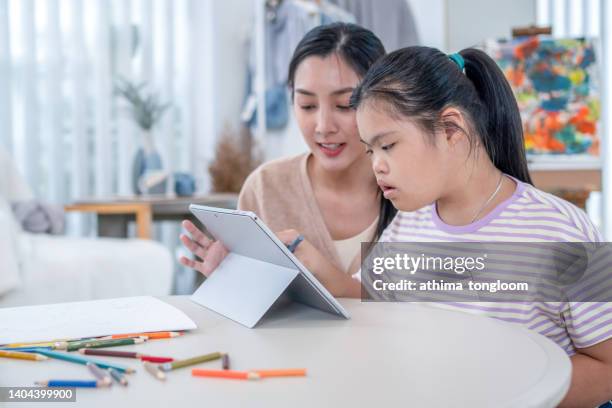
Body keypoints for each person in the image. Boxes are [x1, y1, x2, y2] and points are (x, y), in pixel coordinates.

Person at [342, 45, 611, 407]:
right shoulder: (408, 225)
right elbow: (366, 304)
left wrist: (503, 391)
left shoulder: (562, 231)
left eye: (388, 145)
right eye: (370, 151)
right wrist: (305, 270)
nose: (377, 165)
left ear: (451, 128)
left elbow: (607, 370)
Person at [180, 23, 396, 292]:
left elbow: (429, 299)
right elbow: (253, 308)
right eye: (307, 105)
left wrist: (315, 264)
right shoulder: (266, 188)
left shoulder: (415, 191)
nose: (323, 126)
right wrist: (231, 281)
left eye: (344, 105)